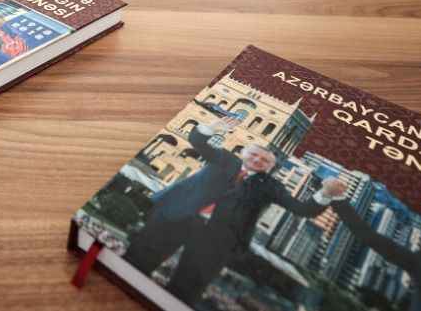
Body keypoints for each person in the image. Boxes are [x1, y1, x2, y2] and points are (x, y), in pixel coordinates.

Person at [125, 118, 347, 303]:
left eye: (265, 160)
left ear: (270, 167)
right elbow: (197, 141)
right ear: (244, 154)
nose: (258, 160)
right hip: (177, 217)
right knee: (137, 261)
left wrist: (325, 193)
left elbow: (302, 209)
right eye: (254, 155)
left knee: (184, 290)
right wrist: (212, 127)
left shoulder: (270, 186)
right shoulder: (225, 158)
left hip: (216, 240)